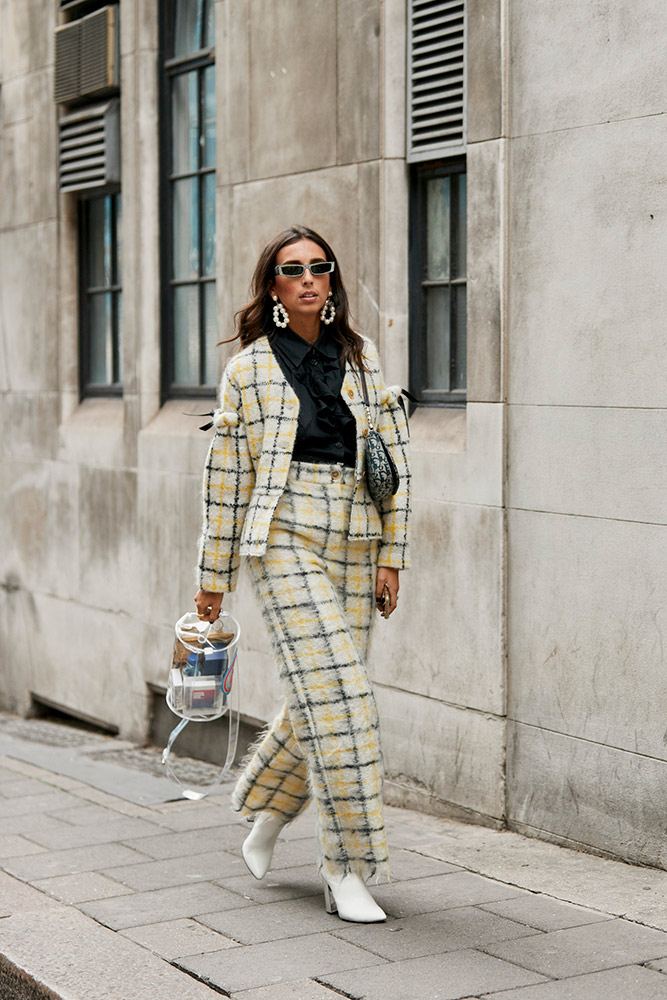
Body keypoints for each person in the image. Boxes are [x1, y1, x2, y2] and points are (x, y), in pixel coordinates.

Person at [194, 225, 411, 923]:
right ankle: (343, 866)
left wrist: (391, 554)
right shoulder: (249, 371)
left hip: (355, 534)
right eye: (294, 269)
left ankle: (263, 812)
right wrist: (212, 577)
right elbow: (226, 480)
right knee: (345, 703)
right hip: (282, 534)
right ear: (274, 287)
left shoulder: (363, 358)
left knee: (324, 698)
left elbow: (394, 467)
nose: (310, 278)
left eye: (320, 267)